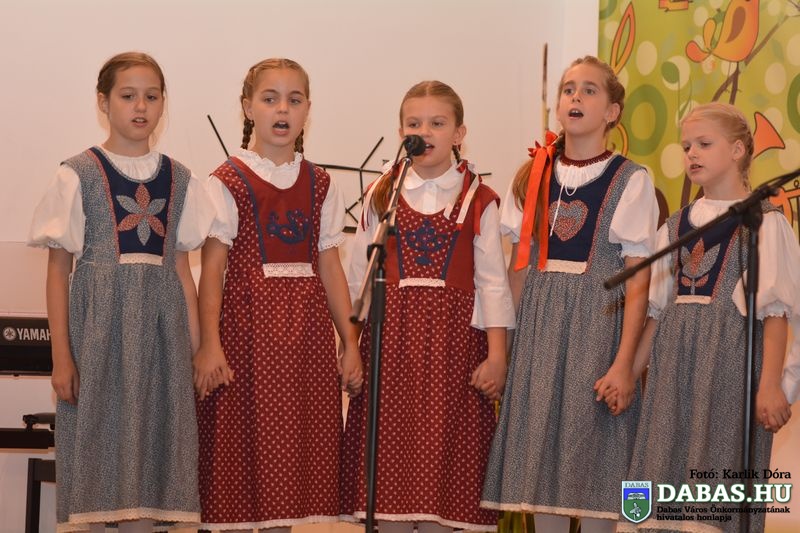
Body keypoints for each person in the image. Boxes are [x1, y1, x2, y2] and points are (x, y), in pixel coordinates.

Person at [29, 51, 212, 532]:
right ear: (103, 101)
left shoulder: (180, 178)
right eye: (128, 95)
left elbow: (181, 270)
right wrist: (61, 357)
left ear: (163, 103)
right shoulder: (78, 173)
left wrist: (196, 350)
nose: (141, 106)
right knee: (99, 458)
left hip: (162, 343)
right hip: (100, 340)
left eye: (152, 96)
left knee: (155, 462)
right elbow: (57, 272)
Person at [481, 56, 659, 533]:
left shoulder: (630, 180)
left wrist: (624, 364)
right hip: (538, 338)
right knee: (540, 476)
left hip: (596, 335)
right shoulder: (531, 176)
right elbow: (517, 274)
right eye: (568, 89)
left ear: (612, 112)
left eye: (589, 90)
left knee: (598, 469)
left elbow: (638, 282)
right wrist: (506, 353)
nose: (576, 96)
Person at [194, 57, 362, 532]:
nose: (282, 109)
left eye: (294, 99)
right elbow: (213, 271)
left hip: (306, 341)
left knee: (291, 465)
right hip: (246, 338)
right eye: (270, 99)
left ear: (308, 109)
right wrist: (209, 345)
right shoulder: (227, 180)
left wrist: (349, 342)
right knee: (243, 455)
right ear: (249, 108)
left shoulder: (321, 183)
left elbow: (330, 267)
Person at [340, 80, 515, 532]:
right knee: (389, 487)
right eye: (414, 124)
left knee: (446, 481)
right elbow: (359, 278)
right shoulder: (382, 194)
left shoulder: (479, 199)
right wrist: (351, 347)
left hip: (454, 354)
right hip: (390, 352)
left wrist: (497, 357)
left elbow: (493, 285)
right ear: (402, 133)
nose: (425, 132)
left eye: (437, 123)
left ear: (459, 134)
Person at [624, 102, 800, 532]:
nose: (692, 154)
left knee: (716, 485)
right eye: (687, 146)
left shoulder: (765, 223)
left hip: (728, 372)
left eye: (704, 144)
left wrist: (771, 385)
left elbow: (776, 314)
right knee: (658, 478)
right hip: (671, 376)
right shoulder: (675, 226)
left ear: (738, 150)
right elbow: (657, 314)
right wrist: (629, 373)